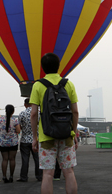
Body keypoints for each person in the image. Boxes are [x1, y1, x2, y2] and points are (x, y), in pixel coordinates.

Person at [30, 53, 79, 194]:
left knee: (48, 174)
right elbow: (75, 112)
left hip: (47, 136)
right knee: (69, 172)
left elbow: (33, 113)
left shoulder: (38, 85)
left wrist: (34, 137)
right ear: (59, 66)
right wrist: (73, 132)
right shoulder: (68, 84)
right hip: (66, 135)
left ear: (43, 68)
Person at [17, 98, 42, 182]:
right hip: (35, 139)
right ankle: (39, 176)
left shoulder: (22, 114)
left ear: (25, 104)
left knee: (25, 159)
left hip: (24, 140)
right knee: (37, 159)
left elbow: (19, 128)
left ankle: (24, 177)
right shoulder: (38, 114)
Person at [0, 104, 20, 183]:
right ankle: (11, 176)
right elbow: (18, 131)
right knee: (12, 159)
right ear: (13, 111)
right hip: (13, 142)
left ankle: (4, 176)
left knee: (4, 159)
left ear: (5, 110)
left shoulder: (0, 120)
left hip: (3, 143)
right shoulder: (15, 120)